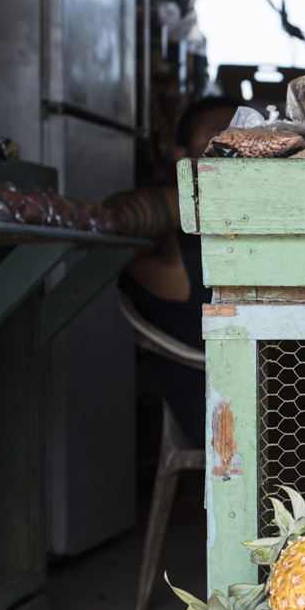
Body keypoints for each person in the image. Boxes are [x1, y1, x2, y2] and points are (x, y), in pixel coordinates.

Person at [102, 95, 241, 445]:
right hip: (227, 423)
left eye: (245, 134)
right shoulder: (167, 250)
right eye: (218, 134)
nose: (235, 144)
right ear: (182, 155)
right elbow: (115, 216)